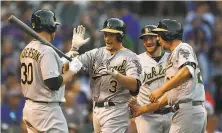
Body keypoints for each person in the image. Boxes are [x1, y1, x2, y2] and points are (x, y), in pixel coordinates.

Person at [129, 19, 207, 133]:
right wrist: (142, 109)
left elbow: (187, 70)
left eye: (159, 35)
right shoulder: (174, 55)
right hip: (187, 110)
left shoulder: (182, 48)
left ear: (168, 34)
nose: (158, 39)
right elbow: (170, 96)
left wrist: (161, 90)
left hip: (187, 110)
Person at [71, 18, 142, 133]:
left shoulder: (130, 57)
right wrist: (74, 48)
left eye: (111, 35)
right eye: (106, 34)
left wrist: (115, 73)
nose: (107, 38)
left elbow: (135, 86)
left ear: (121, 37)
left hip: (116, 109)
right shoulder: (96, 53)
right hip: (96, 109)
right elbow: (71, 67)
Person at [20, 9, 83, 133]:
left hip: (30, 108)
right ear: (51, 27)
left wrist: (73, 49)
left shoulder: (27, 49)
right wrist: (73, 71)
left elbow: (48, 66)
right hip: (46, 112)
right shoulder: (47, 50)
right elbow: (53, 83)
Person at [130, 25, 173, 133]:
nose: (148, 42)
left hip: (171, 113)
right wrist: (131, 98)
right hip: (147, 118)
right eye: (145, 39)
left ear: (159, 38)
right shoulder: (136, 61)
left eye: (151, 38)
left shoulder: (171, 58)